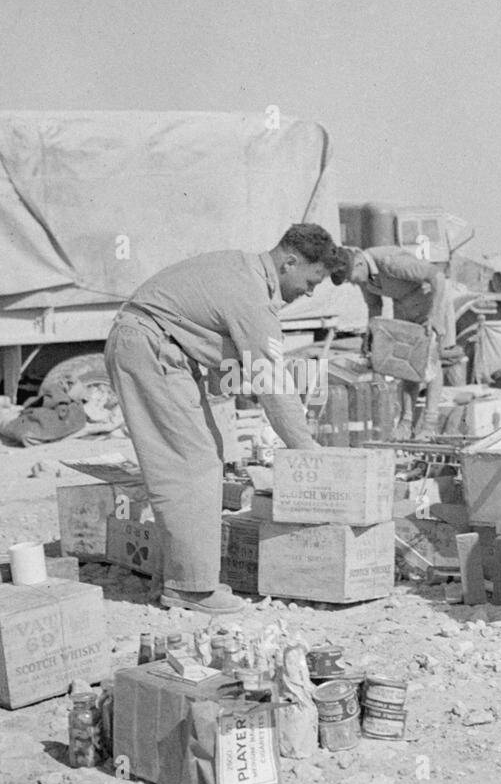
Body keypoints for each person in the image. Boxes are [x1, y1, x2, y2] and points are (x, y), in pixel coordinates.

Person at [105, 224, 336, 615]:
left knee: (196, 458)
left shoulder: (241, 269)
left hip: (153, 346)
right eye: (310, 281)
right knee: (190, 465)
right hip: (150, 349)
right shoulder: (251, 296)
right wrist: (306, 449)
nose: (310, 292)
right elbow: (272, 381)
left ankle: (174, 577)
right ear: (290, 262)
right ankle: (191, 589)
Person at [331, 244, 463, 439]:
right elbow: (374, 305)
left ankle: (429, 425)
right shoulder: (364, 275)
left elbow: (437, 277)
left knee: (431, 363)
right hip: (404, 307)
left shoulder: (390, 262)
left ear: (358, 262)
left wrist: (434, 316)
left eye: (352, 278)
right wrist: (371, 335)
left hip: (432, 303)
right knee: (405, 365)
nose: (353, 283)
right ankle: (406, 422)